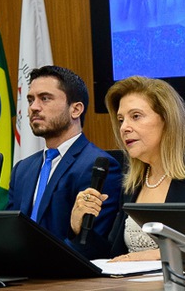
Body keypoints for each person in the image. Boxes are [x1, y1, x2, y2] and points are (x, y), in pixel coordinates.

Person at [70, 76, 185, 261]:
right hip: (128, 287)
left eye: (136, 116)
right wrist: (79, 227)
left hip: (184, 287)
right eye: (121, 120)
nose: (124, 128)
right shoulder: (132, 184)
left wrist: (155, 256)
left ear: (167, 119)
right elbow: (113, 256)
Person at [7, 65, 123, 259]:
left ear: (76, 109)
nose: (33, 107)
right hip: (20, 274)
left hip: (64, 278)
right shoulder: (22, 169)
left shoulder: (97, 166)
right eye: (30, 100)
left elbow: (91, 244)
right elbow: (9, 231)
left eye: (45, 98)